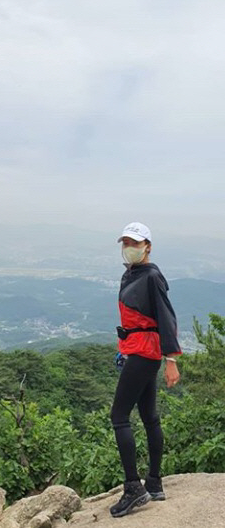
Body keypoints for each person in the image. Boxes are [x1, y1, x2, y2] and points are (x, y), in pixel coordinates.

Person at [109, 222, 182, 518]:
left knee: (119, 416)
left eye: (135, 242)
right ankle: (154, 482)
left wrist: (171, 360)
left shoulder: (151, 276)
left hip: (145, 351)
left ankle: (133, 488)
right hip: (137, 348)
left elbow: (166, 316)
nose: (129, 247)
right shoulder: (131, 273)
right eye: (125, 242)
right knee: (149, 416)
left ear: (147, 246)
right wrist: (124, 347)